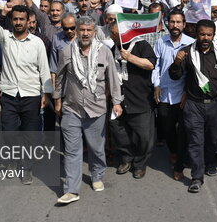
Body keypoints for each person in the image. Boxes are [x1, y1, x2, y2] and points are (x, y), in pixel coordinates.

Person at [0, 0, 52, 185]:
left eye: (21, 19)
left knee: (30, 134)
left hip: (31, 96)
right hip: (9, 95)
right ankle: (15, 157)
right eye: (15, 19)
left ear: (28, 22)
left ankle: (26, 167)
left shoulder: (37, 43)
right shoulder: (5, 38)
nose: (18, 22)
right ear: (11, 21)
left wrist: (47, 94)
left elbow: (44, 70)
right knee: (9, 133)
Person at [53, 16, 123, 205]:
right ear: (76, 31)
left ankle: (97, 175)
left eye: (88, 30)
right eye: (81, 30)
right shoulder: (67, 51)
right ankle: (71, 189)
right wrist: (57, 100)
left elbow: (113, 79)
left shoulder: (104, 52)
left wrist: (116, 102)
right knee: (72, 150)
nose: (85, 33)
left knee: (96, 147)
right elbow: (59, 79)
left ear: (94, 32)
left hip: (97, 109)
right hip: (71, 108)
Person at [169, 19, 217, 193]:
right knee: (195, 141)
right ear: (196, 34)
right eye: (202, 34)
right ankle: (196, 177)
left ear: (213, 35)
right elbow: (175, 76)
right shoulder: (186, 53)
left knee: (213, 138)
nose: (205, 38)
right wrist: (177, 63)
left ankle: (210, 163)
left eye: (209, 34)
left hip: (216, 104)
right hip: (194, 105)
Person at [109, 22, 157, 179]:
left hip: (140, 99)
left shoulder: (141, 45)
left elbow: (150, 64)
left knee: (144, 136)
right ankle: (126, 158)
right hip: (119, 100)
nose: (112, 36)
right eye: (112, 33)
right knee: (119, 131)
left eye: (115, 34)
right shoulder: (112, 49)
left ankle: (140, 164)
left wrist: (130, 58)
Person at [153, 10, 194, 180]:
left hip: (183, 94)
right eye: (172, 22)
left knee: (184, 129)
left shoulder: (191, 43)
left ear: (184, 24)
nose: (175, 25)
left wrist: (187, 92)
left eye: (178, 22)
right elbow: (155, 65)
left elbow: (193, 72)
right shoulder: (160, 42)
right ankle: (174, 151)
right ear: (167, 24)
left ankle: (182, 157)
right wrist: (156, 85)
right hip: (164, 93)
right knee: (167, 127)